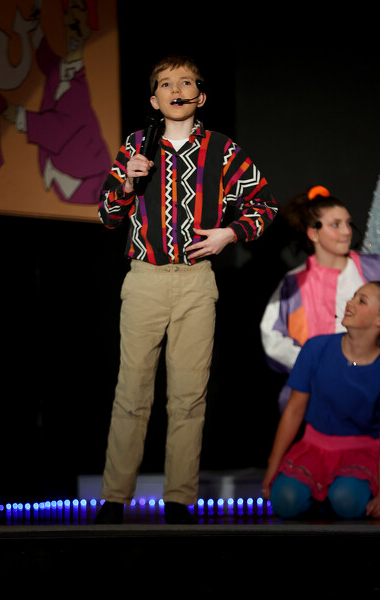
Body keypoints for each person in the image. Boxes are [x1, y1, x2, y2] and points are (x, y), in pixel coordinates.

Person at [95, 55, 277, 524]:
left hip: (196, 281)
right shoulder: (136, 146)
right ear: (154, 100)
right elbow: (107, 216)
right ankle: (114, 498)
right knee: (132, 391)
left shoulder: (222, 149)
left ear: (201, 95)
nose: (176, 90)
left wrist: (229, 234)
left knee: (189, 395)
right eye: (165, 84)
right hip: (145, 279)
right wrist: (128, 182)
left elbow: (263, 205)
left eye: (186, 82)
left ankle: (179, 499)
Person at [261, 281, 380, 520]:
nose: (350, 302)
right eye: (354, 296)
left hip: (362, 452)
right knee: (284, 500)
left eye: (361, 301)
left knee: (347, 500)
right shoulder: (317, 348)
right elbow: (294, 410)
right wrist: (273, 466)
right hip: (315, 449)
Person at [260, 186, 380, 411]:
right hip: (314, 396)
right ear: (313, 234)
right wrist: (315, 364)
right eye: (335, 225)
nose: (346, 231)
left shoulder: (373, 269)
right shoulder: (294, 283)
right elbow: (272, 338)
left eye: (348, 223)